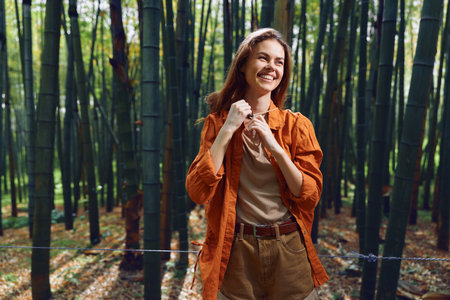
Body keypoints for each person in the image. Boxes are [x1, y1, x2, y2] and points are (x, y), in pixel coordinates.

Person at [186, 28, 328, 300]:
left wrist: (274, 146)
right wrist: (228, 128)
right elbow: (197, 191)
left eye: (279, 62)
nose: (271, 67)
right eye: (263, 58)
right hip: (237, 249)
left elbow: (308, 195)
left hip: (289, 247)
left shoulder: (296, 125)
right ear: (243, 64)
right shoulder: (218, 123)